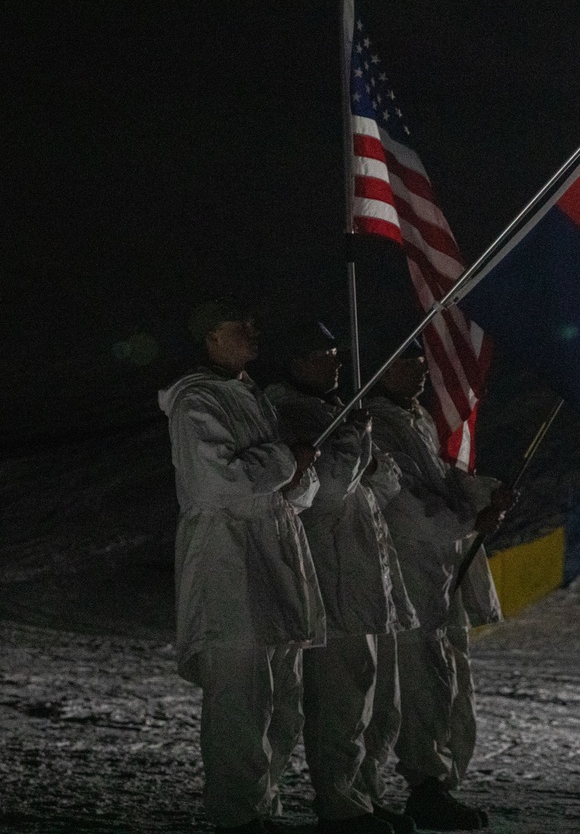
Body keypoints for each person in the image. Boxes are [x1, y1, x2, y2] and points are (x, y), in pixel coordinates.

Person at [158, 298, 327, 833]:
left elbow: (290, 489)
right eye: (240, 325)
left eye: (255, 322)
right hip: (229, 562)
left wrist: (299, 475)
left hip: (271, 554)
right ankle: (236, 815)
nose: (253, 332)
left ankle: (263, 807)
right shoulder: (196, 402)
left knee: (281, 702)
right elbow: (217, 481)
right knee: (240, 703)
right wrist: (287, 464)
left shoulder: (248, 395)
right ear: (210, 336)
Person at [265, 319, 419, 834]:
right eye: (321, 352)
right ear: (294, 363)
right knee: (337, 699)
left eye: (335, 352)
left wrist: (361, 446)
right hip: (329, 574)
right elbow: (329, 487)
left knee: (373, 696)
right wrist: (355, 438)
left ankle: (363, 793)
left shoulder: (336, 413)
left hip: (363, 570)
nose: (334, 361)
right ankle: (338, 801)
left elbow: (386, 483)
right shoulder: (288, 412)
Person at [366, 350, 512, 832]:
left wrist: (484, 494)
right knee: (416, 682)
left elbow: (442, 480)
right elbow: (407, 509)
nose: (421, 370)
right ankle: (409, 785)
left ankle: (435, 781)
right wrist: (470, 519)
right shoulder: (373, 425)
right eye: (408, 362)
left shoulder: (418, 419)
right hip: (408, 569)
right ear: (382, 368)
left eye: (422, 362)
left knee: (447, 676)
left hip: (440, 568)